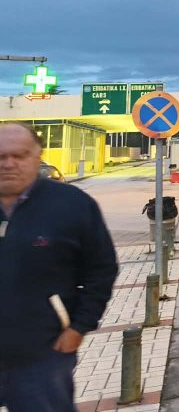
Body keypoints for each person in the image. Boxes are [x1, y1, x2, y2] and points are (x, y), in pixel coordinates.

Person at [0, 122, 118, 412]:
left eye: (20, 155)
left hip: (43, 354)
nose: (9, 164)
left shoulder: (72, 204)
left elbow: (101, 269)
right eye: (0, 156)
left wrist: (79, 327)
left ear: (37, 156)